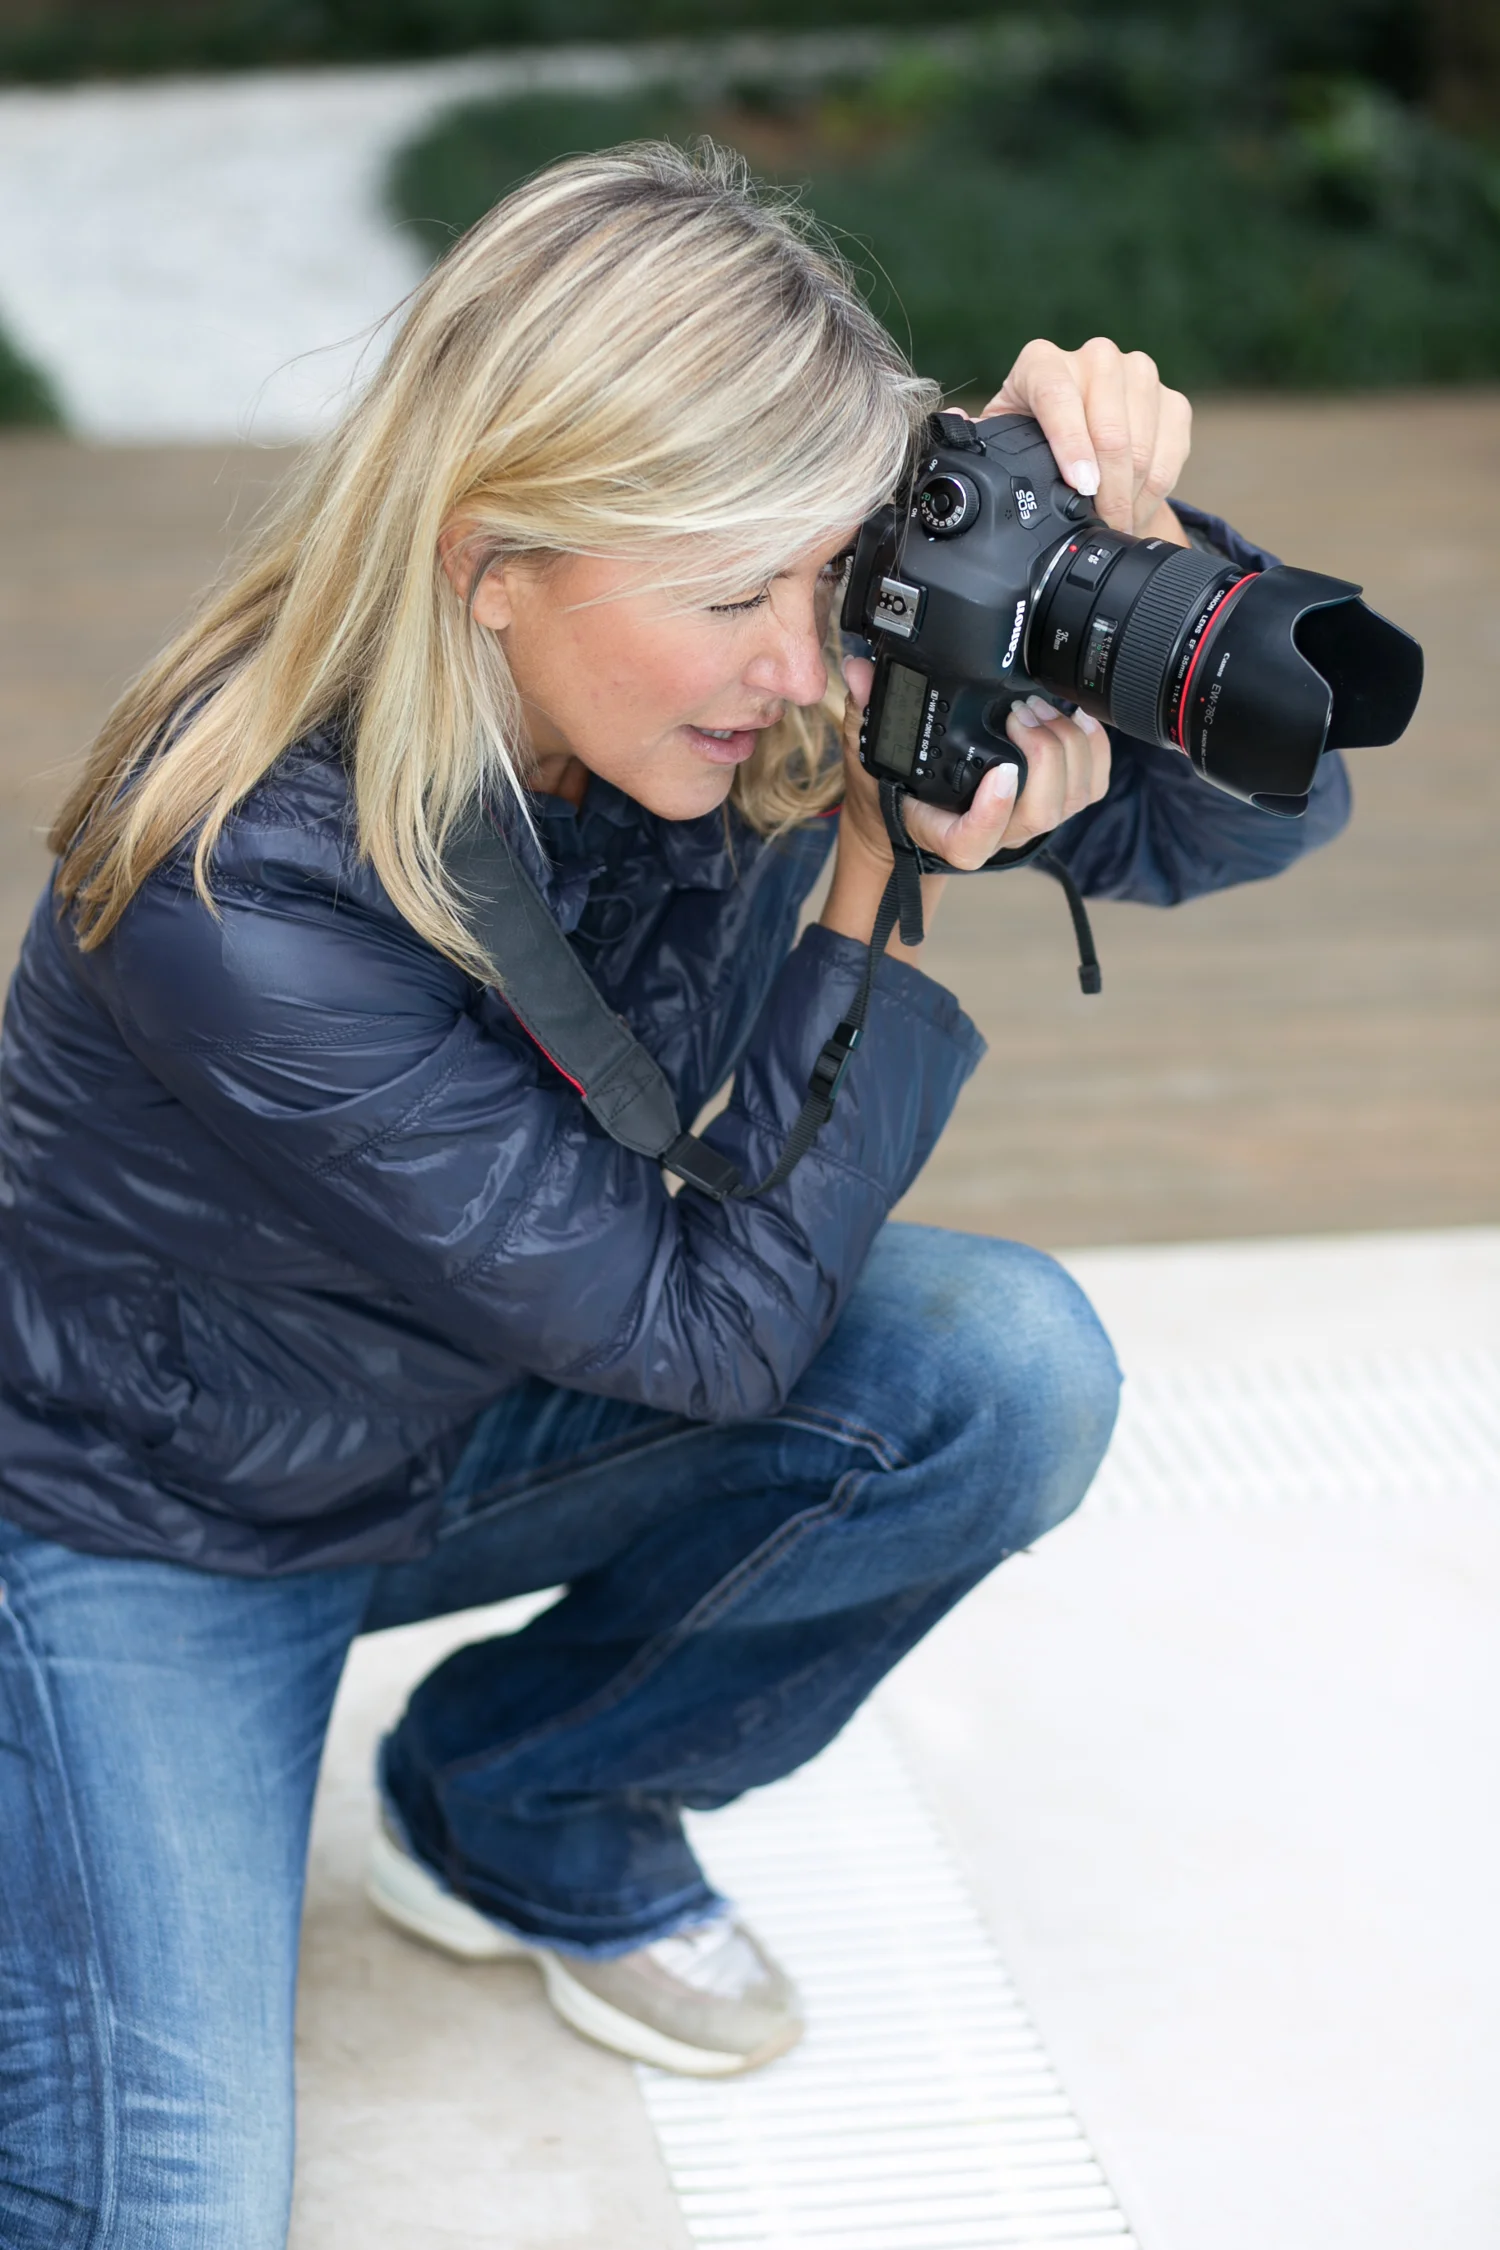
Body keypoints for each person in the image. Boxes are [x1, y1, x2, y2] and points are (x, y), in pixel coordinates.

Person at [0, 142, 1348, 2247]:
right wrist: (884, 866)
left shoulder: (785, 664)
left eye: (830, 578)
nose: (802, 670)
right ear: (490, 563)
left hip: (476, 1412)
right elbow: (705, 1334)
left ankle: (517, 1804)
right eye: (730, 598)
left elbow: (1242, 828)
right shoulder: (236, 889)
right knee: (170, 2210)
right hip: (152, 1518)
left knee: (1004, 1370)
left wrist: (1137, 559)